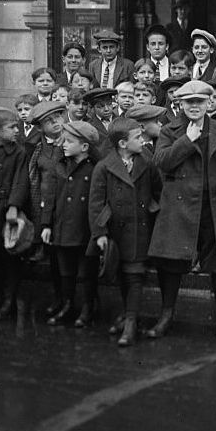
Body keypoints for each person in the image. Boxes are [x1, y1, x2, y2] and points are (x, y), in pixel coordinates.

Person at [145, 80, 216, 339]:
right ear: (180, 104)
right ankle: (166, 315)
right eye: (189, 102)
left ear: (209, 103)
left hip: (213, 205)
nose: (195, 107)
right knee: (172, 263)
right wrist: (188, 139)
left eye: (200, 102)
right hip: (180, 205)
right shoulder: (171, 130)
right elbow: (161, 162)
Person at [89, 117, 162, 346]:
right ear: (122, 143)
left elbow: (158, 191)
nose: (143, 140)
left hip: (140, 229)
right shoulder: (104, 166)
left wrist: (153, 212)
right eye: (138, 137)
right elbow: (95, 203)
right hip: (115, 232)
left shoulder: (147, 163)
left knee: (135, 274)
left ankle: (130, 322)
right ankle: (129, 316)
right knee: (122, 274)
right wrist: (99, 233)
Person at [40, 121, 100, 327]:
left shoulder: (94, 169)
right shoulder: (60, 166)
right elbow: (50, 197)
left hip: (85, 229)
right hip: (62, 226)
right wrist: (46, 224)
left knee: (86, 272)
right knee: (66, 271)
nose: (63, 145)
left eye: (69, 141)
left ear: (84, 147)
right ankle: (67, 305)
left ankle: (87, 308)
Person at [26, 100, 69, 317]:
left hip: (69, 209)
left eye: (58, 117)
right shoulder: (39, 148)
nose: (55, 123)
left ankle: (75, 302)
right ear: (40, 127)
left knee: (70, 258)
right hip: (46, 210)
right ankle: (59, 299)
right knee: (53, 259)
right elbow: (33, 179)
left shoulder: (72, 142)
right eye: (48, 121)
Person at [0, 109, 29, 322]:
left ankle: (9, 300)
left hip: (5, 209)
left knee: (9, 255)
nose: (17, 130)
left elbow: (20, 181)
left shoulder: (18, 152)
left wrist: (14, 206)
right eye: (12, 127)